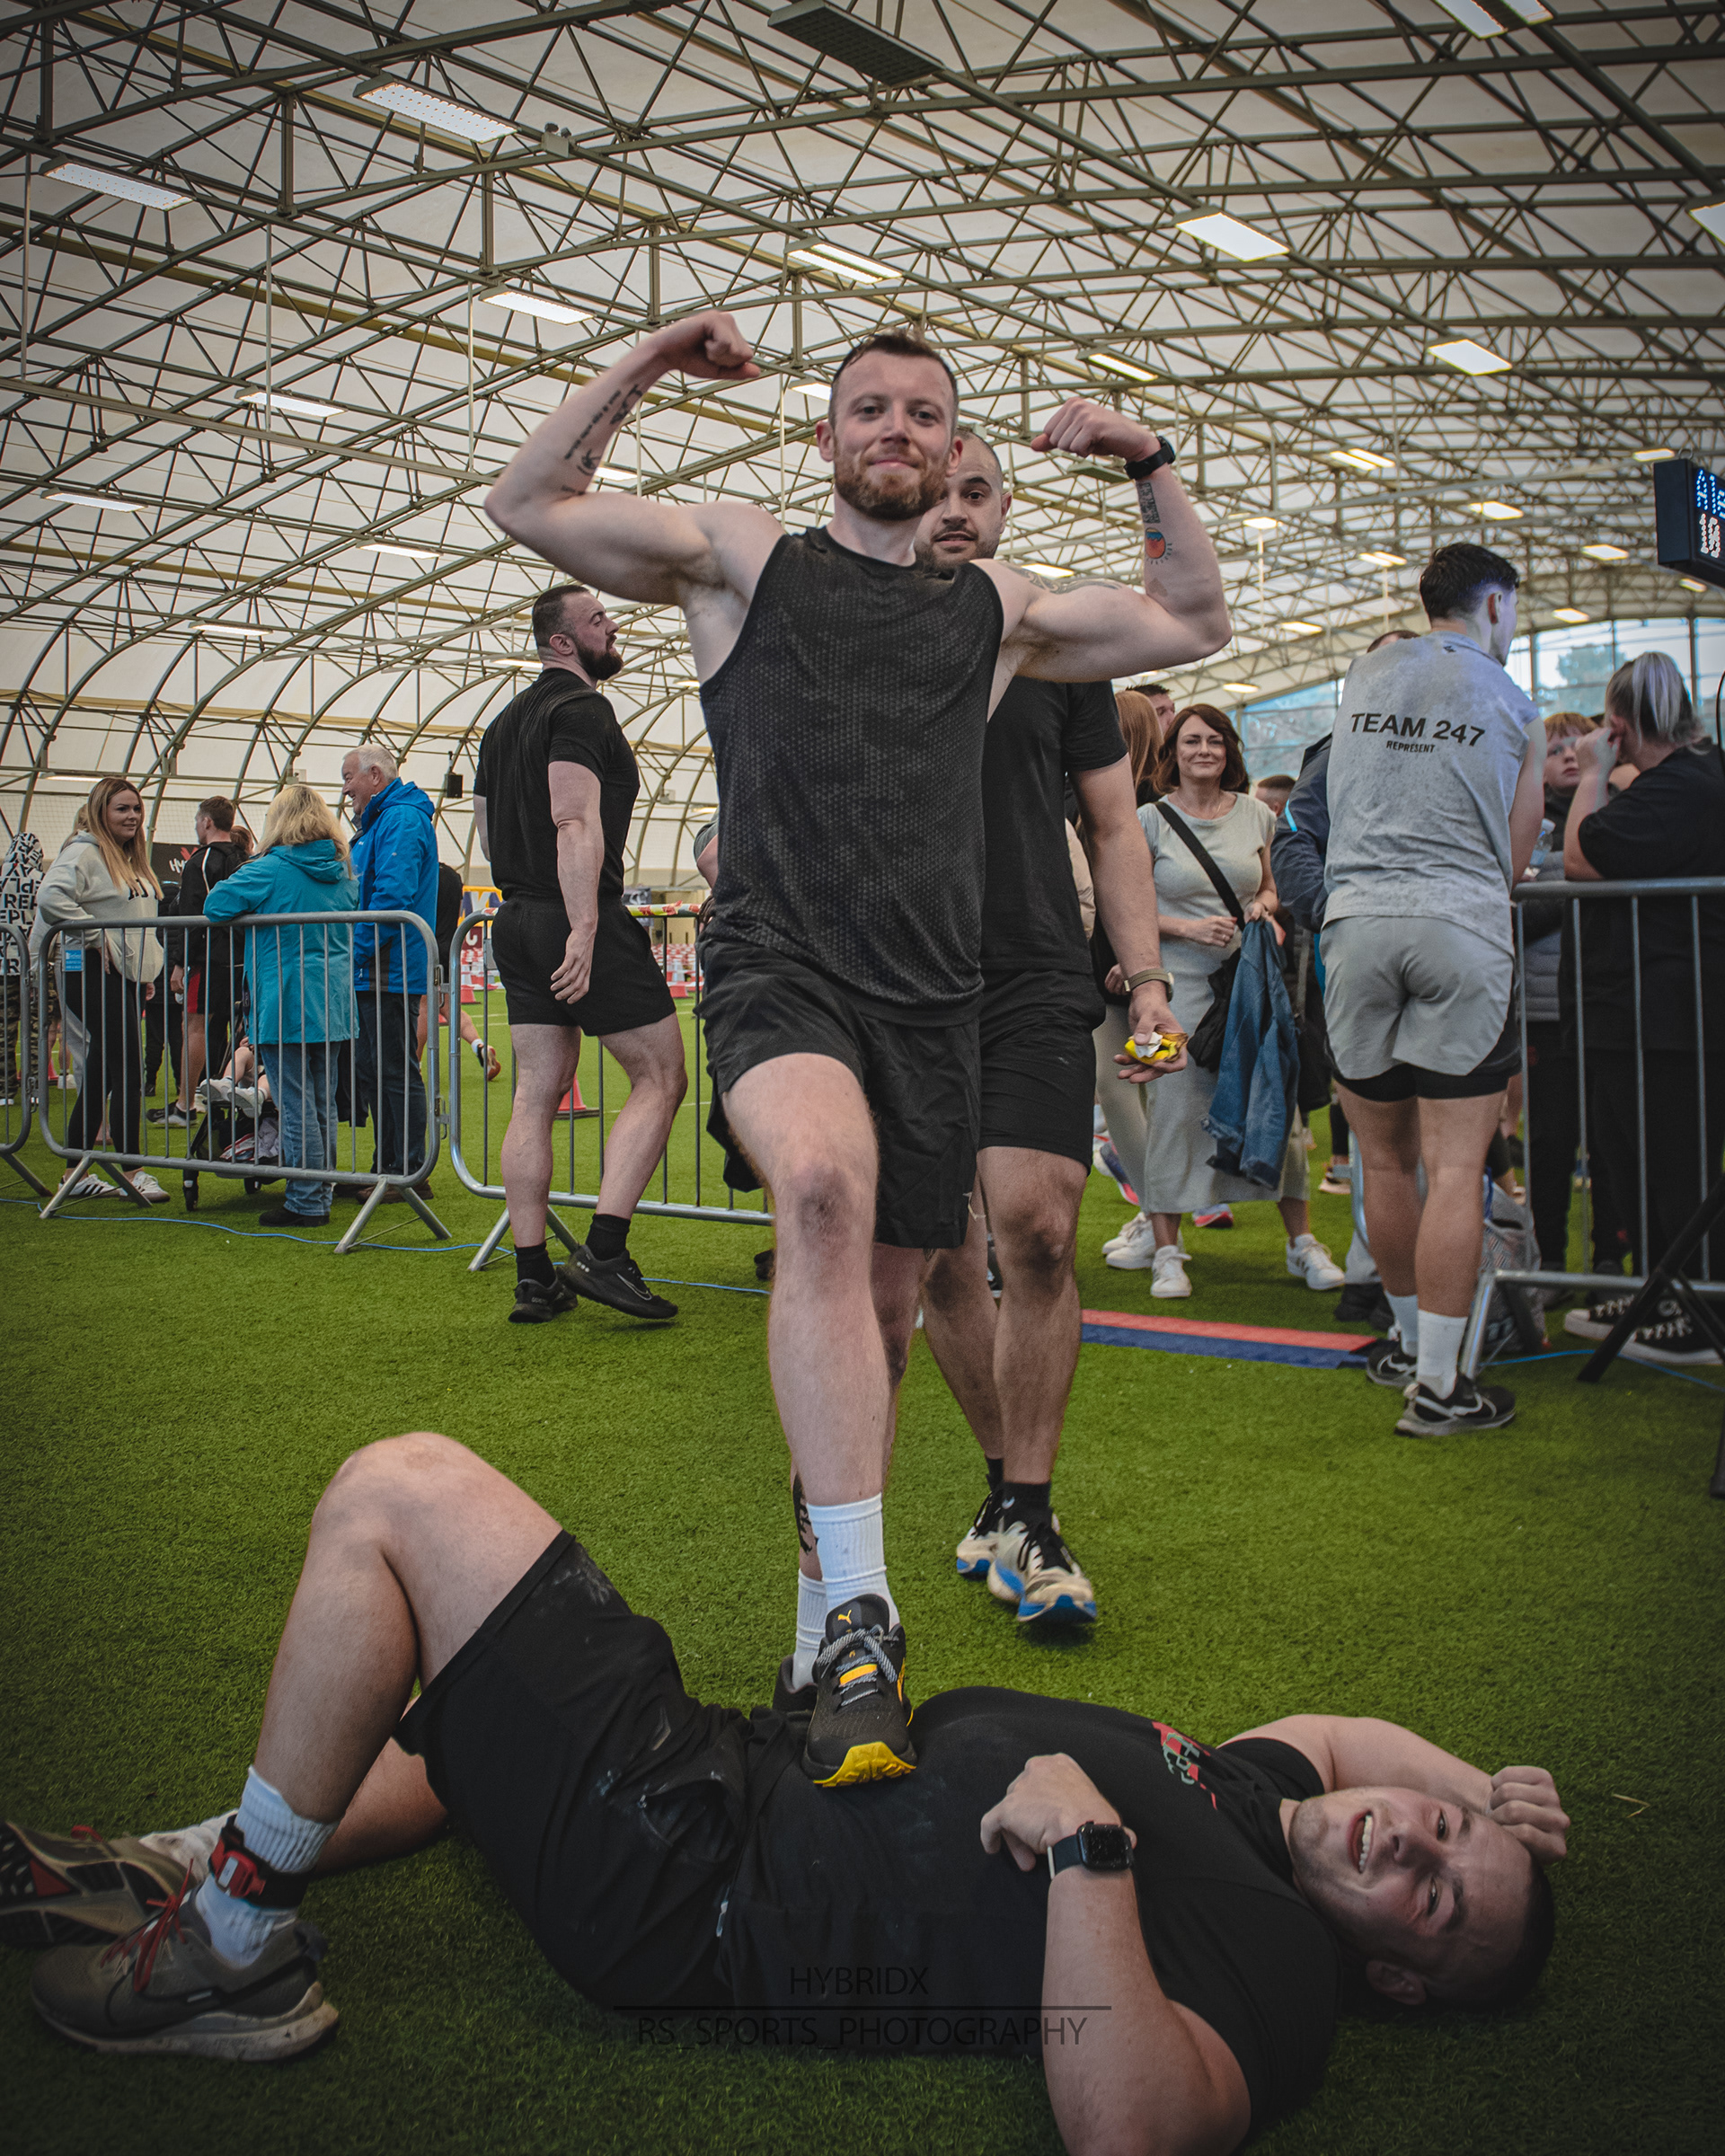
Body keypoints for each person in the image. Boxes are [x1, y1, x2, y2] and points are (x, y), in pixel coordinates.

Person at [5, 1431, 1567, 2156]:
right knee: (459, 1720)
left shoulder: (1282, 1969)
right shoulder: (1256, 1793)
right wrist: (1489, 1789)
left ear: (1397, 1980)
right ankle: (202, 1856)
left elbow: (1137, 2130)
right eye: (1443, 1832)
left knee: (397, 1495)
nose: (1409, 1840)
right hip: (727, 1773)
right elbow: (1343, 1731)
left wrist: (1087, 1850)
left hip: (693, 1884)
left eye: (1436, 1898)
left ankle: (234, 1950)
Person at [482, 310, 1229, 1784]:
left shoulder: (996, 610)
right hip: (782, 969)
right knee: (819, 1188)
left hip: (932, 1000)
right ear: (827, 438)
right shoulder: (745, 558)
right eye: (870, 407)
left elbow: (1192, 620)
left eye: (923, 413)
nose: (897, 429)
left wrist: (1149, 457)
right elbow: (529, 500)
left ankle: (814, 1645)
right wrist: (653, 359)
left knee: (879, 1333)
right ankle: (867, 1618)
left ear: (952, 449)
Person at [908, 436, 1181, 1630]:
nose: (955, 509)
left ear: (1005, 506)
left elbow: (1115, 829)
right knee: (935, 1253)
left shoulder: (1060, 650)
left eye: (976, 490)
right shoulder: (850, 629)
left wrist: (1147, 978)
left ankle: (1031, 1506)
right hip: (896, 981)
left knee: (1037, 1226)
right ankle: (999, 1487)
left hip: (1028, 968)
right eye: (936, 491)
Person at [1322, 548, 1544, 1436]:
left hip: (1356, 925)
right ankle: (1444, 1386)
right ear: (1493, 606)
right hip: (1459, 926)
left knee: (1384, 1161)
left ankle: (1410, 1347)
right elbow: (1515, 858)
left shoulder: (1365, 674)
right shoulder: (1512, 701)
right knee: (1456, 1166)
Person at [473, 585, 688, 1324]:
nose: (612, 626)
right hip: (571, 910)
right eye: (598, 620)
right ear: (562, 642)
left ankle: (534, 1277)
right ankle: (604, 1251)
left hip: (514, 916)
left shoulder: (502, 725)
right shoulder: (582, 710)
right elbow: (572, 821)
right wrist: (585, 927)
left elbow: (486, 832)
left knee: (536, 1092)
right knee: (661, 1075)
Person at [1107, 705, 1344, 1300]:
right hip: (1167, 990)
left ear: (1229, 750)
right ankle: (1167, 1250)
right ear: (1173, 753)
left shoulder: (1256, 815)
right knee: (1170, 1111)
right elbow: (1125, 904)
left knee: (1276, 1103)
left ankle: (1302, 1242)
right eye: (1191, 741)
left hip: (1248, 984)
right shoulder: (1148, 820)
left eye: (1215, 740)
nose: (1204, 750)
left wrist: (1264, 905)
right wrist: (1185, 929)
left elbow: (1270, 884)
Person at [1559, 653, 1725, 1367]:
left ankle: (1697, 1312)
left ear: (1620, 725)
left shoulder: (1683, 786)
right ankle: (1663, 1291)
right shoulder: (1690, 778)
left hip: (1665, 1014)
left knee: (1672, 1166)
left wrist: (1592, 775)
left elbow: (1579, 859)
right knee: (1637, 1161)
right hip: (1645, 1010)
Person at [202, 784, 358, 1227]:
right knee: (322, 1102)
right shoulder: (342, 869)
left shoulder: (270, 868)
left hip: (285, 999)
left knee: (295, 1104)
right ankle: (319, 1191)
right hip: (333, 1001)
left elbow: (216, 905)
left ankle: (306, 1199)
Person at [1517, 715, 1624, 1293]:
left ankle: (1610, 1258)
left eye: (1574, 746)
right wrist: (1578, 885)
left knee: (1611, 1140)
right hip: (1545, 1011)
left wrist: (1555, 882)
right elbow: (1519, 911)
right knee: (1550, 1142)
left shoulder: (1615, 815)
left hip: (1606, 1001)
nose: (1565, 756)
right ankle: (1550, 1261)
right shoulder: (1527, 823)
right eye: (1554, 748)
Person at [29, 777, 169, 1204]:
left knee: (104, 1069)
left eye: (136, 808)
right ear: (100, 812)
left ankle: (74, 1172)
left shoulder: (128, 856)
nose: (133, 816)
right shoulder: (83, 852)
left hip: (124, 975)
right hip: (91, 972)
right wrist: (95, 935)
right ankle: (132, 1171)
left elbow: (137, 919)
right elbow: (50, 897)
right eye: (122, 809)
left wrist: (144, 970)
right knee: (126, 1069)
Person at [340, 745, 438, 1196]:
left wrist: (354, 955)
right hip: (381, 967)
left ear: (375, 775)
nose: (346, 790)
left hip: (388, 968)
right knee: (378, 1069)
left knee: (393, 1070)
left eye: (349, 778)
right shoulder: (387, 819)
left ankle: (408, 1171)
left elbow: (390, 898)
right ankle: (390, 1167)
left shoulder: (399, 819)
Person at [1090, 685, 1168, 1230]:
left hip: (1126, 972)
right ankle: (1158, 1215)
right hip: (1143, 975)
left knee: (1134, 1092)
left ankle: (1159, 1215)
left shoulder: (1143, 808)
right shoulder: (1148, 803)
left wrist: (1136, 960)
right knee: (1143, 1088)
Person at [169, 798, 253, 1133]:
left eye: (197, 819)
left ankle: (185, 1104)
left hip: (210, 959)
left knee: (196, 1027)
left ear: (206, 822)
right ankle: (239, 1098)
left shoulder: (200, 862)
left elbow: (192, 916)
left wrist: (181, 962)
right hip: (244, 959)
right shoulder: (246, 859)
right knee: (243, 1031)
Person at [1, 829, 44, 1105]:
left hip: (3, 965)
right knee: (35, 1029)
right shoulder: (41, 880)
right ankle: (34, 1087)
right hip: (33, 965)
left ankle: (4, 1090)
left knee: (3, 1030)